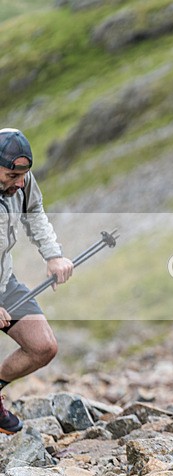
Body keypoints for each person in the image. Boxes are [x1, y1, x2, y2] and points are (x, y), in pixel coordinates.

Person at [0, 128, 74, 435]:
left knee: (43, 346)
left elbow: (36, 212)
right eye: (11, 175)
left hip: (3, 280)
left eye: (24, 175)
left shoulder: (22, 180)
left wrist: (53, 255)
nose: (20, 182)